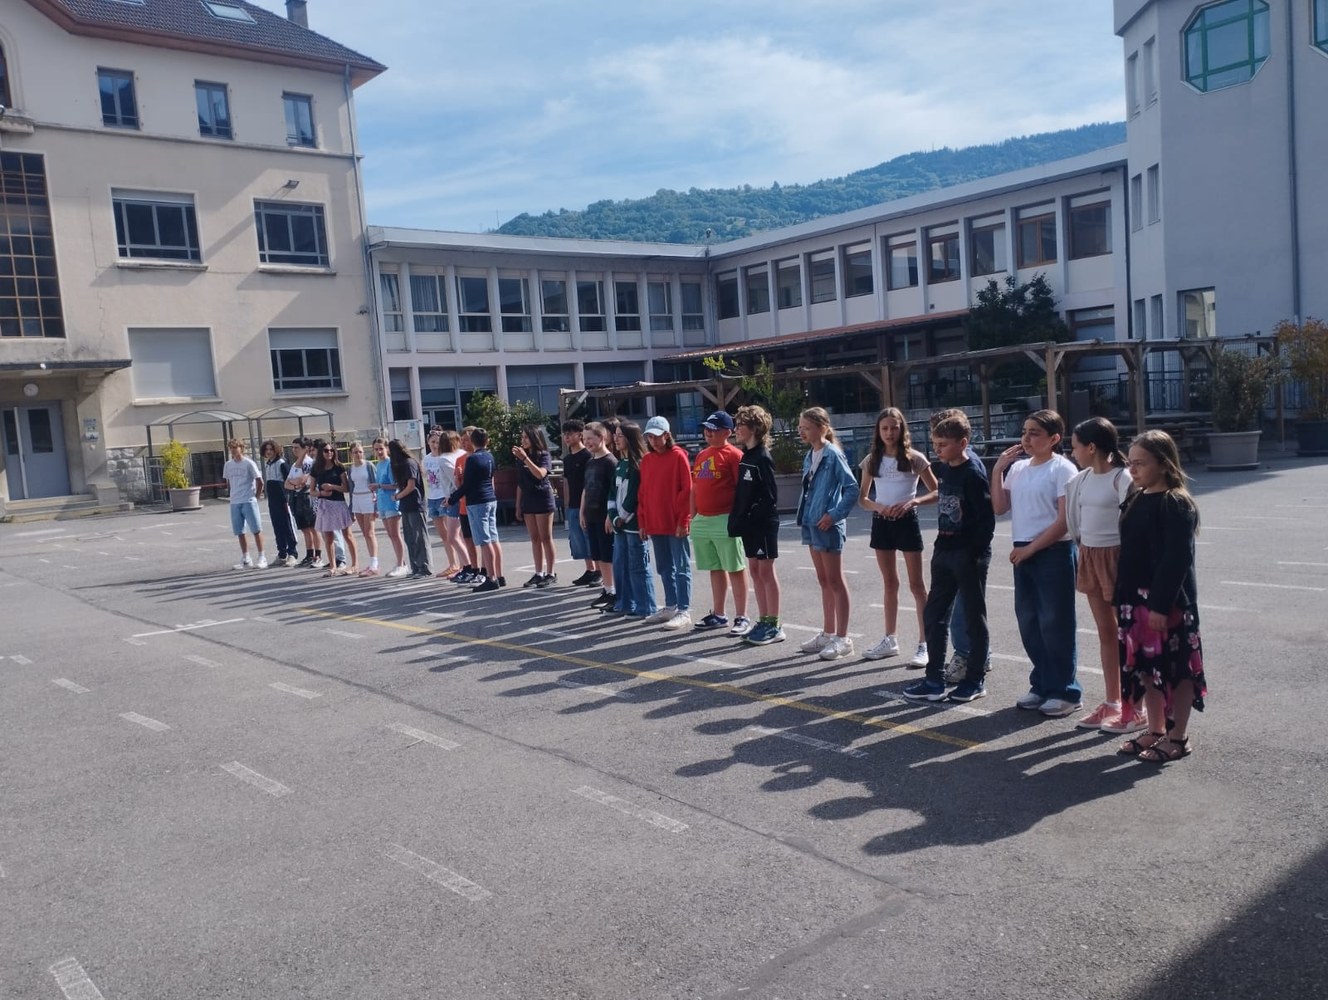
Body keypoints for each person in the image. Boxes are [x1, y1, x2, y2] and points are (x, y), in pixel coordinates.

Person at [1114, 430, 1206, 763]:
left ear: (1164, 464)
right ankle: (1155, 729)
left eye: (1140, 463)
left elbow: (1176, 559)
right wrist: (1121, 599)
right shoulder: (1136, 497)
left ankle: (1178, 737)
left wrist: (1160, 604)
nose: (1132, 469)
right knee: (1145, 668)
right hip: (1134, 601)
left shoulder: (1176, 503)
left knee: (1177, 670)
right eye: (1130, 462)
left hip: (1167, 604)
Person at [991, 409, 1082, 717]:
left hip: (1053, 550)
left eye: (1034, 433)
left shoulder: (1062, 468)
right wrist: (998, 470)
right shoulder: (1018, 469)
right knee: (1029, 622)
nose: (1026, 438)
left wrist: (1030, 549)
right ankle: (1042, 683)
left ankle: (1065, 691)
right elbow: (999, 507)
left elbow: (1064, 521)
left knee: (1055, 622)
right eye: (1024, 431)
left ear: (1054, 438)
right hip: (1024, 551)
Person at [903, 411, 995, 703]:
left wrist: (972, 554)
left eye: (942, 444)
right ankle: (934, 680)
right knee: (934, 615)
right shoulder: (943, 470)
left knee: (973, 618)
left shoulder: (974, 473)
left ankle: (975, 680)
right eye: (935, 444)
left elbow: (986, 521)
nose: (937, 450)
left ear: (962, 443)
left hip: (967, 555)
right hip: (944, 550)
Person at [1066, 417, 1141, 732]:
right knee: (1106, 632)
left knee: (1128, 632)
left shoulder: (1122, 478)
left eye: (1075, 447)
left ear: (1092, 447)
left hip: (1117, 557)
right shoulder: (1081, 480)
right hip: (1090, 555)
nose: (1072, 453)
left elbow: (1135, 522)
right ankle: (1113, 701)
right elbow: (1075, 519)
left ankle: (1135, 706)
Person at [859, 408, 937, 664]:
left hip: (907, 522)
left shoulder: (915, 458)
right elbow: (863, 498)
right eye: (885, 428)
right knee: (890, 583)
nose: (889, 433)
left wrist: (914, 501)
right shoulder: (872, 460)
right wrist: (879, 506)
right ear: (878, 431)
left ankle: (926, 643)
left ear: (902, 429)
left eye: (894, 428)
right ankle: (890, 639)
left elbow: (937, 491)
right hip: (882, 523)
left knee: (917, 585)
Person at [794, 407, 860, 661]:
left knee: (835, 580)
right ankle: (828, 632)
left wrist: (834, 514)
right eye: (800, 427)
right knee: (823, 580)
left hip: (828, 525)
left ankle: (843, 638)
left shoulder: (832, 454)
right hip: (812, 523)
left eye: (806, 427)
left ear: (822, 428)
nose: (802, 431)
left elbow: (851, 488)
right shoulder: (810, 454)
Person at [689, 411, 751, 635]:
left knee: (735, 567)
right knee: (715, 567)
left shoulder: (734, 455)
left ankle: (742, 616)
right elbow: (695, 487)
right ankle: (719, 613)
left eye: (713, 429)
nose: (708, 433)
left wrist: (738, 518)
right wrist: (693, 516)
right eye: (707, 429)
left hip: (725, 518)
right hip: (703, 519)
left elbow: (742, 490)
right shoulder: (702, 455)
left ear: (727, 432)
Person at [728, 404, 785, 645]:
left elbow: (770, 497)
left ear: (754, 428)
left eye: (740, 425)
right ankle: (763, 620)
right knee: (754, 570)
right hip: (749, 526)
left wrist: (750, 516)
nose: (736, 429)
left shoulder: (762, 458)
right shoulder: (747, 456)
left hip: (763, 524)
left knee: (766, 571)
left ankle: (774, 624)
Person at [639, 416, 693, 630]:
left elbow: (687, 490)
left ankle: (684, 610)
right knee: (663, 567)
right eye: (649, 437)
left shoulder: (678, 456)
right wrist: (643, 522)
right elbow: (643, 494)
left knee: (681, 567)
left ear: (667, 435)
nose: (653, 440)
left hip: (675, 523)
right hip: (655, 523)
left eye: (656, 436)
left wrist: (683, 520)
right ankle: (670, 606)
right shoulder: (647, 460)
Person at [606, 421, 655, 618]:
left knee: (638, 567)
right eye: (615, 435)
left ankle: (645, 606)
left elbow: (635, 495)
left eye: (620, 435)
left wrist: (623, 517)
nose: (616, 439)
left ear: (630, 438)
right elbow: (612, 493)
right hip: (619, 525)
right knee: (620, 565)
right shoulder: (620, 464)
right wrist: (613, 516)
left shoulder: (638, 465)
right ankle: (625, 603)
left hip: (633, 525)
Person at [448, 427, 505, 592]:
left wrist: (452, 498)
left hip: (477, 501)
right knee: (492, 537)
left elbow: (467, 484)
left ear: (473, 441)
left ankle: (491, 577)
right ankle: (499, 575)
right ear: (487, 441)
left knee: (484, 541)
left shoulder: (472, 459)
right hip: (490, 498)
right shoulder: (489, 456)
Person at [513, 423, 558, 587]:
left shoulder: (543, 455)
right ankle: (538, 573)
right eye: (522, 437)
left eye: (526, 437)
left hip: (542, 498)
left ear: (534, 438)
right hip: (528, 499)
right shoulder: (520, 459)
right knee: (534, 538)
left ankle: (550, 573)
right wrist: (518, 505)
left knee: (546, 537)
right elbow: (520, 483)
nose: (523, 440)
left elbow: (540, 474)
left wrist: (525, 458)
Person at [583, 421, 620, 610]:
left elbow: (615, 492)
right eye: (585, 439)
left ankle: (616, 592)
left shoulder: (610, 462)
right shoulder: (590, 462)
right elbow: (586, 489)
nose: (587, 442)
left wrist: (609, 516)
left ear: (601, 437)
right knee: (598, 556)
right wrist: (582, 512)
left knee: (608, 556)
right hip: (591, 515)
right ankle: (607, 589)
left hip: (604, 517)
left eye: (590, 438)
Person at [311, 438, 356, 577]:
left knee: (347, 535)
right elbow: (311, 491)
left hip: (338, 503)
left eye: (331, 450)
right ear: (321, 452)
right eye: (326, 450)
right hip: (324, 504)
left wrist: (332, 487)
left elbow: (346, 488)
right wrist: (321, 493)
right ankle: (333, 566)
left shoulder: (339, 467)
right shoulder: (316, 468)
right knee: (328, 537)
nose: (329, 453)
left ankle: (355, 564)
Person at [561, 419, 598, 587]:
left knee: (590, 538)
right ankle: (590, 569)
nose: (567, 437)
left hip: (588, 505)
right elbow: (567, 483)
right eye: (565, 434)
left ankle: (598, 570)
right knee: (578, 541)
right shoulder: (567, 459)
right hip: (573, 505)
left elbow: (589, 484)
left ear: (580, 435)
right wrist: (567, 504)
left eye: (570, 434)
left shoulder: (588, 456)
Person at [388, 439, 432, 577]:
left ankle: (424, 567)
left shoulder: (409, 463)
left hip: (415, 504)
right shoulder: (401, 464)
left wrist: (397, 496)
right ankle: (416, 567)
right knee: (410, 538)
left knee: (420, 538)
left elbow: (411, 486)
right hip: (406, 505)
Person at [223, 438, 267, 569]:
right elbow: (229, 481)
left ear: (241, 448)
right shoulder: (228, 465)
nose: (233, 450)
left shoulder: (249, 463)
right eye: (231, 448)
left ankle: (262, 556)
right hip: (235, 501)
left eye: (235, 447)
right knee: (240, 531)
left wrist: (256, 497)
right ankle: (246, 557)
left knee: (256, 529)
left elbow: (260, 481)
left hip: (248, 500)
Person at [371, 437, 409, 577]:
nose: (379, 452)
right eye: (376, 449)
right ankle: (400, 562)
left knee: (395, 534)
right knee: (390, 534)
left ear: (386, 448)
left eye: (381, 448)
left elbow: (395, 485)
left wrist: (379, 486)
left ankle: (401, 564)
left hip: (392, 502)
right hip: (382, 502)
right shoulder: (379, 464)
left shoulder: (390, 463)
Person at [448, 428, 482, 584]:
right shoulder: (460, 459)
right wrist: (458, 477)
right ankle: (473, 569)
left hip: (477, 503)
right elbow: (459, 485)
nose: (463, 443)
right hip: (463, 504)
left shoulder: (478, 458)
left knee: (481, 540)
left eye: (466, 440)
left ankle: (485, 570)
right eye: (462, 440)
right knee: (467, 538)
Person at [434, 430, 469, 578]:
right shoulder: (462, 453)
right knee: (461, 536)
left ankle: (468, 566)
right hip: (461, 496)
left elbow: (455, 479)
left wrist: (451, 497)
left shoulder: (444, 459)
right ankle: (463, 566)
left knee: (453, 536)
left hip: (455, 498)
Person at [259, 439, 298, 566]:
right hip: (273, 501)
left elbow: (289, 481)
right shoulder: (268, 464)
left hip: (283, 501)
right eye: (266, 450)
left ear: (276, 450)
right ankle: (282, 553)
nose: (269, 452)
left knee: (287, 526)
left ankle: (292, 553)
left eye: (271, 449)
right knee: (277, 527)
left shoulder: (281, 463)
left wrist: (287, 498)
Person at [346, 441, 380, 577]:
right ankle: (371, 562)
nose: (358, 454)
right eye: (355, 452)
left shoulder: (369, 466)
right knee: (365, 533)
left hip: (368, 499)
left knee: (370, 532)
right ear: (351, 454)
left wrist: (376, 505)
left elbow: (375, 484)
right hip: (357, 499)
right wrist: (351, 508)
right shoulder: (350, 469)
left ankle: (374, 564)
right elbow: (351, 488)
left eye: (360, 452)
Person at [284, 436, 320, 567]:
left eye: (297, 448)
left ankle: (318, 555)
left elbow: (304, 480)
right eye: (293, 447)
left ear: (305, 449)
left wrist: (296, 482)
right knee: (305, 528)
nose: (294, 450)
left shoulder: (308, 463)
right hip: (297, 497)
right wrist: (295, 485)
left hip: (308, 497)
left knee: (313, 528)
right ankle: (309, 554)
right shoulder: (295, 464)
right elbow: (287, 483)